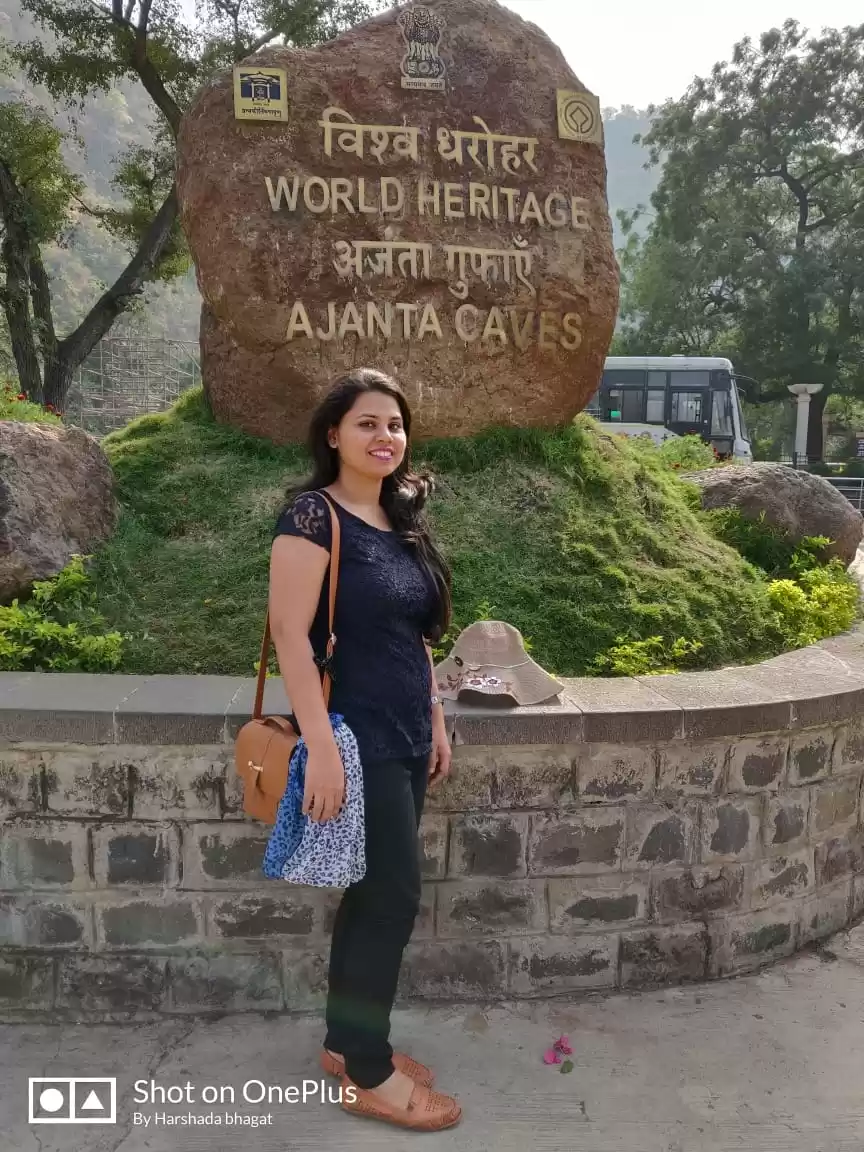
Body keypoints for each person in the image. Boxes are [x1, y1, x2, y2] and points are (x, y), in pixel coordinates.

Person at [268, 368, 462, 1131]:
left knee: (370, 892)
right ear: (333, 434)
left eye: (396, 425)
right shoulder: (313, 517)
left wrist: (437, 716)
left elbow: (413, 633)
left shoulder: (397, 517)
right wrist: (318, 745)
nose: (386, 437)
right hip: (353, 737)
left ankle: (345, 1044)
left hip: (409, 731)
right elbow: (290, 635)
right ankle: (371, 1074)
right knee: (392, 896)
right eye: (368, 424)